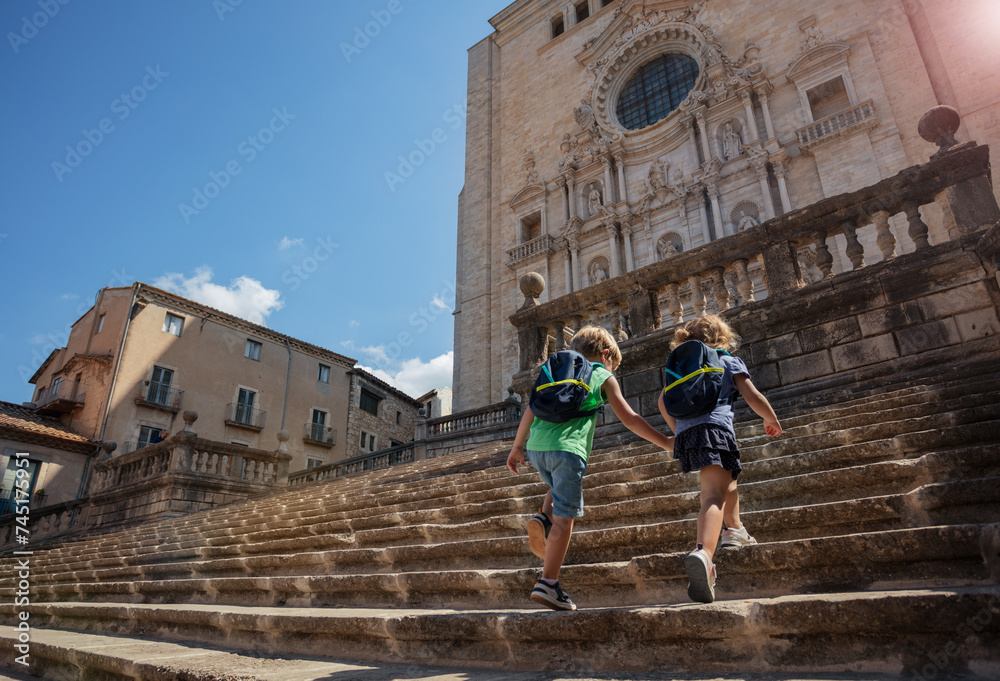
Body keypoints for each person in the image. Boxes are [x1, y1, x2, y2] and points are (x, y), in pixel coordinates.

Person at [507, 325, 675, 611]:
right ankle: (548, 583)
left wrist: (516, 448)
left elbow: (531, 409)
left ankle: (543, 517)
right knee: (565, 520)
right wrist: (666, 442)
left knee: (556, 487)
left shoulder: (554, 370)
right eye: (613, 364)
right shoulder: (602, 375)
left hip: (536, 449)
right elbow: (630, 418)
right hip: (568, 451)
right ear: (606, 354)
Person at [657, 314, 781, 603]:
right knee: (713, 496)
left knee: (728, 478)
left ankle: (735, 529)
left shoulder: (683, 367)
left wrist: (680, 431)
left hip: (690, 435)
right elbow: (752, 395)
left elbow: (663, 401)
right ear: (721, 338)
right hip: (716, 431)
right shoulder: (726, 360)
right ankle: (704, 553)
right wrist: (770, 417)